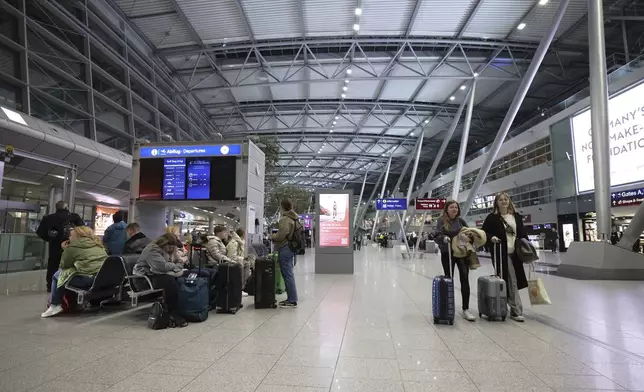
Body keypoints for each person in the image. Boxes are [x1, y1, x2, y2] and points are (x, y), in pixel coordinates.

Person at [482, 192, 529, 322]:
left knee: (512, 280)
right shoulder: (492, 218)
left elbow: (523, 234)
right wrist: (492, 238)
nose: (504, 201)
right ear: (496, 203)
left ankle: (508, 305)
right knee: (511, 279)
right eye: (500, 200)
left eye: (506, 199)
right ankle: (516, 310)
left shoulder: (516, 217)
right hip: (500, 253)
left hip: (516, 254)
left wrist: (528, 249)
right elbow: (484, 232)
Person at [42, 227, 107, 318]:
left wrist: (65, 250)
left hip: (87, 280)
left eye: (71, 236)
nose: (69, 238)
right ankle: (72, 303)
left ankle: (55, 305)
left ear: (78, 236)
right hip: (100, 278)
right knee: (69, 274)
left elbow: (64, 266)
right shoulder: (98, 245)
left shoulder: (72, 247)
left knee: (57, 275)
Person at [133, 233, 188, 327]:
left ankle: (188, 308)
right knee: (169, 281)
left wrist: (174, 266)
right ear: (163, 244)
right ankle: (172, 312)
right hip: (144, 278)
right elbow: (162, 267)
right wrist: (175, 267)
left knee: (187, 276)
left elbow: (179, 261)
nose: (172, 249)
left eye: (173, 247)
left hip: (156, 274)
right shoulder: (152, 250)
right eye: (169, 247)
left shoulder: (172, 249)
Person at [434, 200, 475, 322]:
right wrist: (444, 238)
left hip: (461, 254)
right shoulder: (441, 221)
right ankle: (447, 307)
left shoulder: (461, 221)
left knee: (464, 279)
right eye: (451, 207)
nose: (454, 209)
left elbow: (469, 234)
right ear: (446, 209)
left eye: (456, 207)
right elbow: (437, 235)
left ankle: (465, 309)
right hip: (448, 254)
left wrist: (468, 237)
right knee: (448, 279)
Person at [36, 201, 85, 292]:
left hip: (54, 245)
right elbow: (83, 230)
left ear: (56, 208)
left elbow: (40, 232)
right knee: (71, 265)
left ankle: (51, 285)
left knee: (53, 265)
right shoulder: (74, 217)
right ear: (66, 208)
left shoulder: (48, 218)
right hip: (71, 245)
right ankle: (70, 285)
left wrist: (50, 238)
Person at [272, 199, 299, 308]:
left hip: (285, 247)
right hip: (291, 247)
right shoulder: (294, 217)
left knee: (287, 274)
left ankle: (292, 300)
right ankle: (291, 298)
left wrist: (272, 236)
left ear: (282, 207)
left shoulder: (285, 219)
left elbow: (280, 235)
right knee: (289, 274)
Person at [226, 227, 253, 296]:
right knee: (243, 265)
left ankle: (244, 285)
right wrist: (242, 259)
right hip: (231, 262)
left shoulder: (240, 242)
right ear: (243, 234)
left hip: (236, 260)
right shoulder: (234, 243)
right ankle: (240, 287)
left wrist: (244, 259)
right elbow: (231, 257)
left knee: (248, 263)